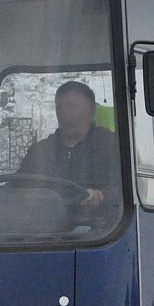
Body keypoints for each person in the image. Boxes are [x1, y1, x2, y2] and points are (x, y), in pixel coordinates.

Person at [17, 80, 120, 223]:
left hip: (97, 232)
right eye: (60, 107)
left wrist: (101, 196)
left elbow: (124, 191)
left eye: (72, 107)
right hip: (44, 229)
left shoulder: (111, 145)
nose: (64, 113)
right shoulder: (40, 150)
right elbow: (18, 186)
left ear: (91, 112)